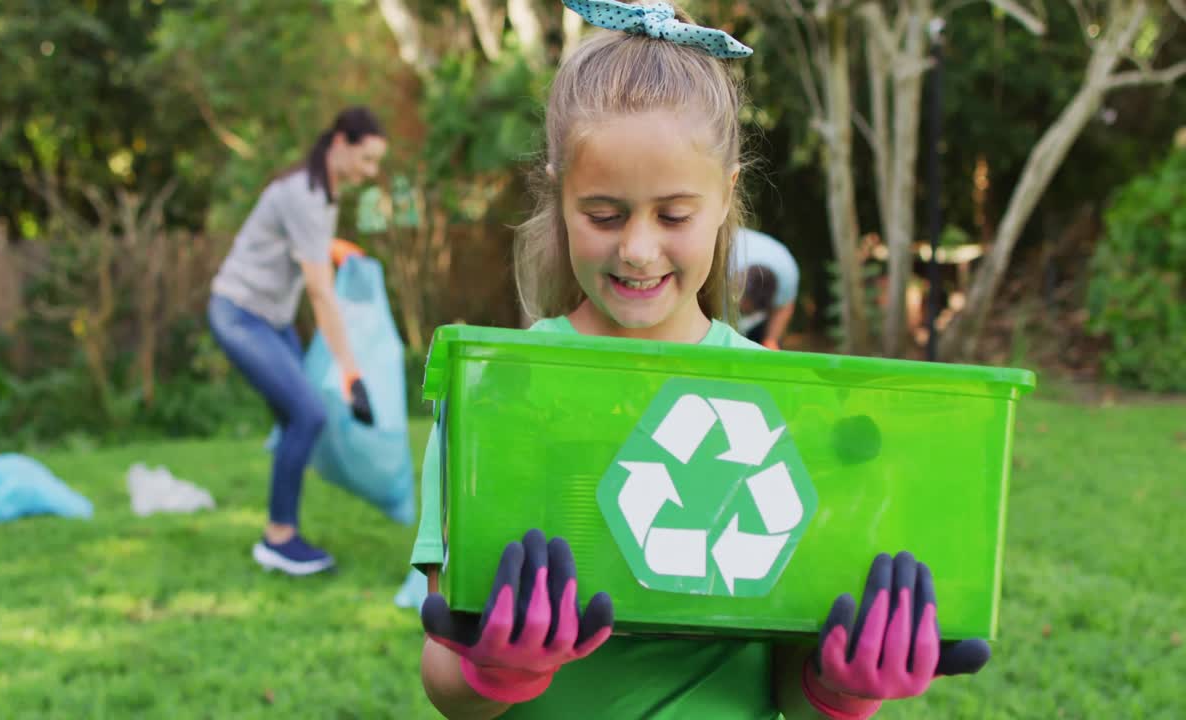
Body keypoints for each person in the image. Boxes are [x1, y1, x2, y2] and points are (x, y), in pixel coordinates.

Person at [409, 2, 991, 718]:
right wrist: (495, 670)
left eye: (674, 215)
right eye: (604, 214)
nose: (639, 249)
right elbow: (443, 672)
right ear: (558, 189)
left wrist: (843, 685)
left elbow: (789, 685)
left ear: (726, 194)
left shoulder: (781, 400)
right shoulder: (495, 396)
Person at [207, 107, 388, 576]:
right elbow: (320, 293)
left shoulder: (321, 192)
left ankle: (282, 527)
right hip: (241, 315)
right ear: (340, 143)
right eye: (367, 160)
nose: (371, 174)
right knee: (307, 415)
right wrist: (351, 370)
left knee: (299, 417)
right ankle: (278, 539)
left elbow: (300, 245)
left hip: (271, 319)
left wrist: (333, 247)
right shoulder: (306, 195)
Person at [734, 228, 799, 350]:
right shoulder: (723, 264)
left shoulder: (788, 278)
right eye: (744, 307)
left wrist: (770, 340)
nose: (744, 311)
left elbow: (784, 308)